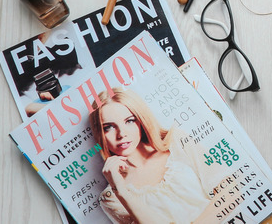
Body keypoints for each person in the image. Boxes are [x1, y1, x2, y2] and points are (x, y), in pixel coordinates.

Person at [90, 88, 224, 224]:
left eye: (129, 121)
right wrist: (121, 192)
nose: (121, 134)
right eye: (108, 127)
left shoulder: (177, 141)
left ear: (141, 119)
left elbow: (230, 191)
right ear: (99, 133)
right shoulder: (111, 197)